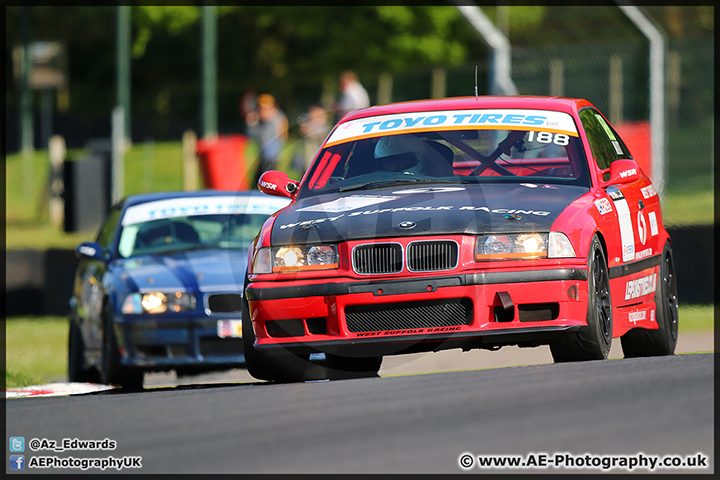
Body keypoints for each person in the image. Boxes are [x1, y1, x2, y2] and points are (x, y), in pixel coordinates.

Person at [245, 93, 289, 187]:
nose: (261, 111)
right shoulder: (275, 118)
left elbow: (258, 135)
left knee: (266, 181)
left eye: (264, 109)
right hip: (266, 155)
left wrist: (251, 123)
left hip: (270, 156)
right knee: (259, 180)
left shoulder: (274, 120)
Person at [292, 105, 331, 173]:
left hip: (318, 146)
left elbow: (322, 135)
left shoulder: (324, 123)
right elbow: (303, 132)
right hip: (308, 147)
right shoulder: (309, 122)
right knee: (307, 163)